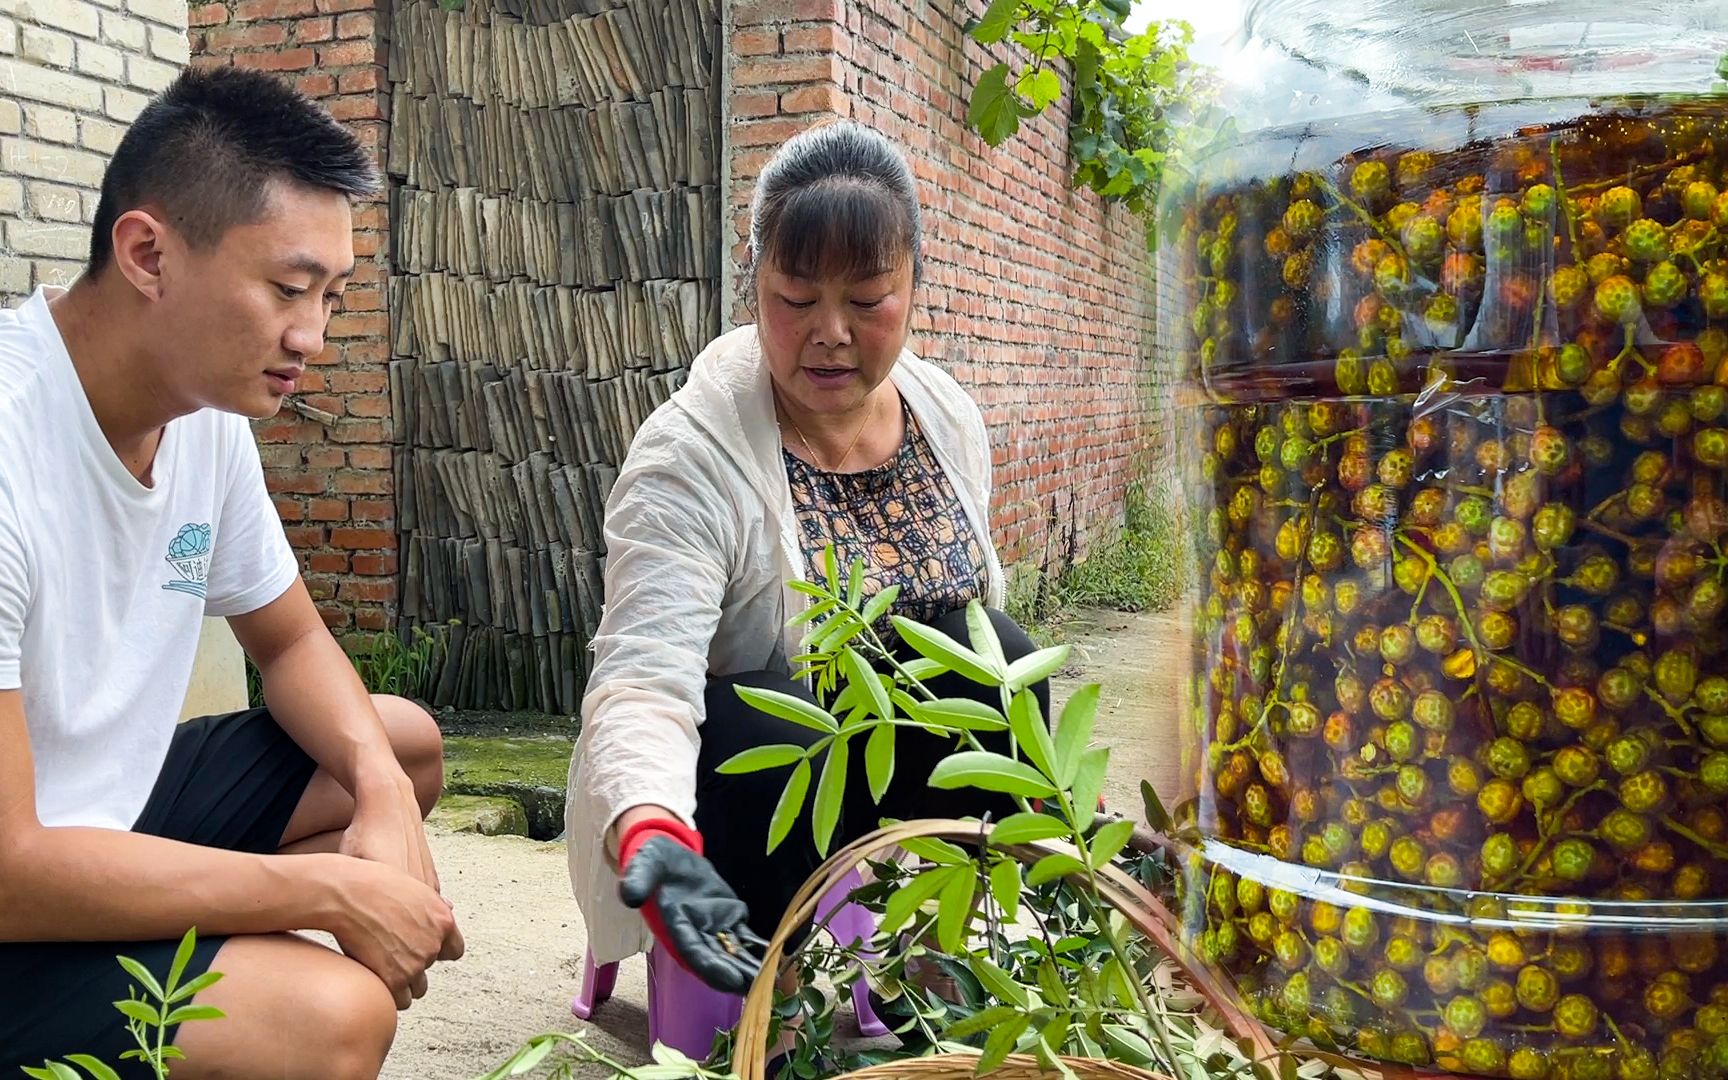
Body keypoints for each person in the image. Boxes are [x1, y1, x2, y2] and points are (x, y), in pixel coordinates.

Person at [0, 68, 463, 1079]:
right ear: (148, 253)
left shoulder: (201, 414)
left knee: (401, 744)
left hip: (107, 813)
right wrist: (325, 895)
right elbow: (9, 870)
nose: (313, 337)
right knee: (336, 1019)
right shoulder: (10, 445)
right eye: (288, 290)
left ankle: (194, 979)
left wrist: (381, 793)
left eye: (333, 296)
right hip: (14, 887)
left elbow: (290, 640)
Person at [565, 120, 1050, 1000]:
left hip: (888, 763)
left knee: (1001, 660)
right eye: (795, 299)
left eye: (867, 301)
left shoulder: (944, 416)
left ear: (913, 286)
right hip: (737, 787)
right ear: (753, 288)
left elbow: (968, 624)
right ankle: (771, 997)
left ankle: (929, 963)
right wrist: (648, 830)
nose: (829, 333)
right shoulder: (689, 456)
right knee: (777, 722)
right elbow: (644, 677)